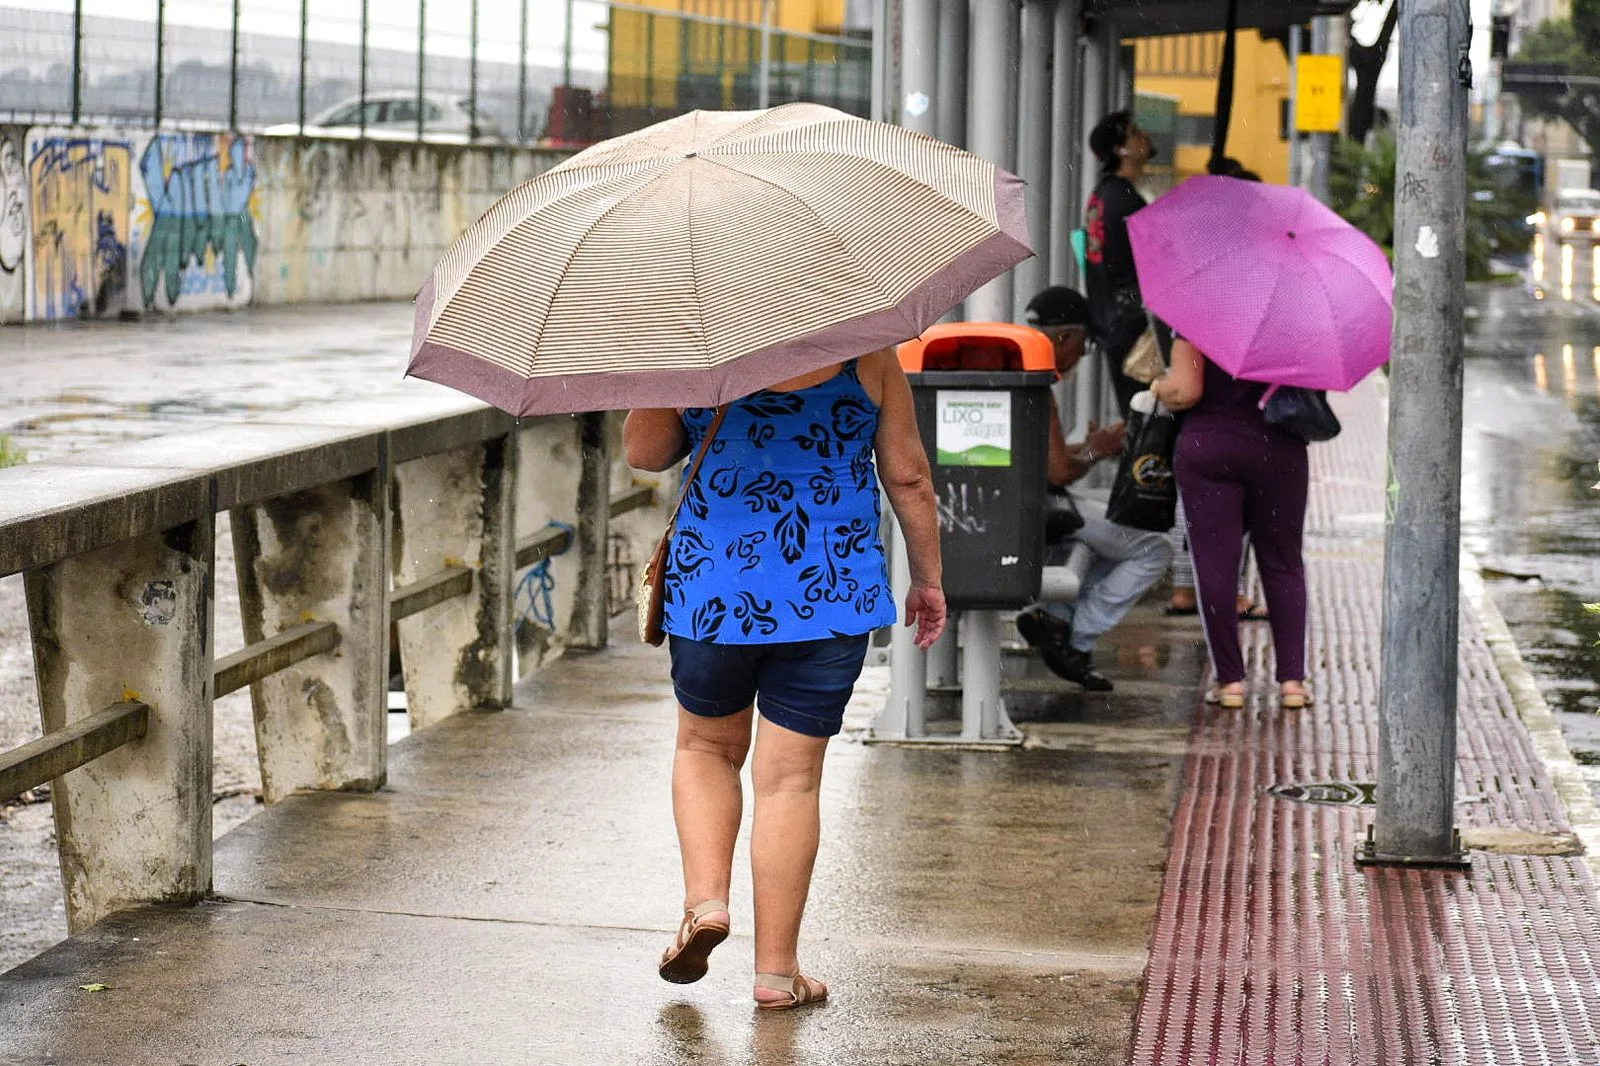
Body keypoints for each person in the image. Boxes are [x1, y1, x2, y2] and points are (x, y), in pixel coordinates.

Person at [623, 349, 946, 1011]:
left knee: (705, 749)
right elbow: (909, 477)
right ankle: (775, 973)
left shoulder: (697, 349)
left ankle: (705, 904)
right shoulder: (867, 356)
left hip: (713, 592)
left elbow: (645, 452)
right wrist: (929, 579)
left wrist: (667, 371)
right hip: (829, 595)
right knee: (791, 779)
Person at [1013, 286, 1174, 692]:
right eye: (1083, 346)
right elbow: (1059, 470)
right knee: (1154, 549)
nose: (1081, 358)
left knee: (1112, 544)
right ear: (1065, 337)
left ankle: (1059, 618)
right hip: (1045, 507)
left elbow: (1036, 458)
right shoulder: (1037, 386)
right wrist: (1096, 451)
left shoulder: (1009, 372)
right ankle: (1076, 637)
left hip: (1020, 505)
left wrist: (1088, 447)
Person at [1149, 337, 1312, 711]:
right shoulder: (1296, 322)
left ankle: (1230, 684)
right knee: (1284, 564)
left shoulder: (1200, 320)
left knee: (1215, 567)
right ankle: (1292, 683)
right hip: (1279, 449)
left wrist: (1158, 385)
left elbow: (1187, 392)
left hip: (1211, 450)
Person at [1084, 110, 1157, 415]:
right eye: (1135, 132)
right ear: (1121, 149)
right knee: (1145, 419)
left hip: (1111, 322)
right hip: (1133, 327)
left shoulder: (1102, 196)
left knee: (1134, 416)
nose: (1145, 136)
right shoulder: (1127, 202)